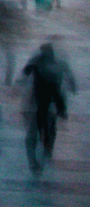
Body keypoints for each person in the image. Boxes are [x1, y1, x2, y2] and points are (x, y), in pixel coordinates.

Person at [22, 43, 77, 172]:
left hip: (41, 102)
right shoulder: (57, 63)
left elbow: (25, 72)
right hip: (49, 102)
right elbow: (69, 76)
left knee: (37, 130)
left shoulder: (39, 62)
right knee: (49, 127)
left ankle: (38, 157)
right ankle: (47, 149)